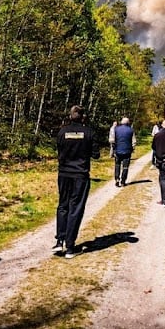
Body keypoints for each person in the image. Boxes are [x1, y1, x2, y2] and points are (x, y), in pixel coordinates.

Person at [55, 104, 100, 259]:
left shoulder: (62, 132)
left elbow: (59, 151)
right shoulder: (89, 132)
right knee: (76, 209)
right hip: (80, 175)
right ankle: (70, 247)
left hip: (64, 174)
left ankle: (59, 240)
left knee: (63, 205)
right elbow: (96, 154)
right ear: (83, 117)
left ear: (70, 116)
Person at [112, 117, 136, 187]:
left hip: (118, 150)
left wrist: (114, 148)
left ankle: (117, 179)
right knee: (125, 167)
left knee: (117, 165)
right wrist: (133, 149)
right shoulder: (131, 130)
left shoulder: (116, 129)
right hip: (127, 151)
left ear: (121, 122)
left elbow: (112, 140)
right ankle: (123, 181)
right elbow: (134, 141)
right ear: (128, 122)